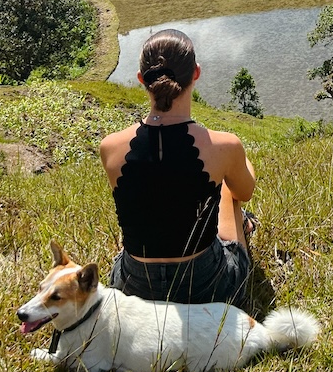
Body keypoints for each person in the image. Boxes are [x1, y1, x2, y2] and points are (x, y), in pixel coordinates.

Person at [100, 28, 257, 306]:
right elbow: (245, 191)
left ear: (141, 80)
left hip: (134, 290)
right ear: (196, 73)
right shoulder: (224, 145)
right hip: (210, 290)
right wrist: (239, 157)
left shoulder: (110, 147)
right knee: (226, 193)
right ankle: (245, 225)